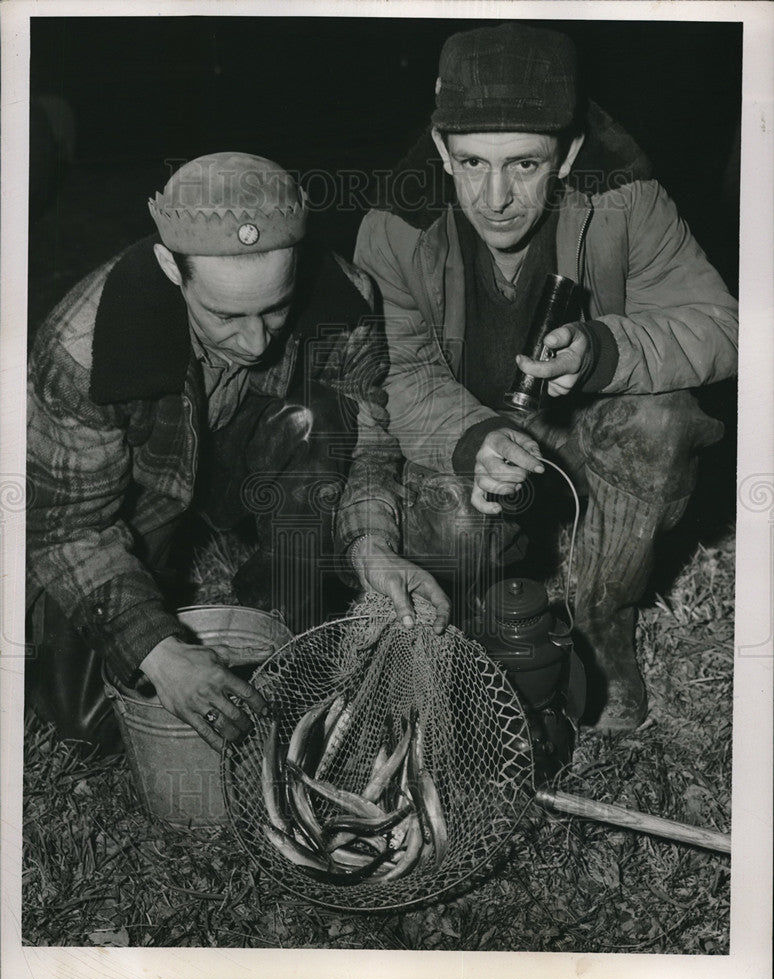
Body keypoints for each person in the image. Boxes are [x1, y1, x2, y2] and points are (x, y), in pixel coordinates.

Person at [354, 23, 738, 732]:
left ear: (568, 154)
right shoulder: (395, 230)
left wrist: (605, 351)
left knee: (662, 420)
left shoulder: (627, 199)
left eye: (525, 165)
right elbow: (400, 375)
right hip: (478, 433)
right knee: (453, 527)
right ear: (441, 148)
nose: (494, 197)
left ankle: (599, 624)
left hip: (585, 428)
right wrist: (472, 439)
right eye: (470, 163)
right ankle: (482, 631)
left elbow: (724, 325)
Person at [26, 151, 449, 754]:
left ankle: (286, 606)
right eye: (225, 315)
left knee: (319, 418)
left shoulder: (344, 299)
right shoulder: (80, 351)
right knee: (88, 725)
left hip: (249, 459)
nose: (256, 342)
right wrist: (159, 652)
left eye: (275, 309)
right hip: (140, 501)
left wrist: (372, 547)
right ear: (173, 269)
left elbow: (367, 450)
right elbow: (66, 527)